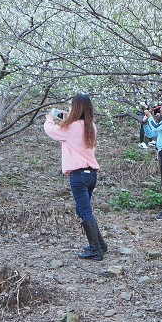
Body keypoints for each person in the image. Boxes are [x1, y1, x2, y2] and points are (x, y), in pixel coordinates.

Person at [44, 94, 107, 261]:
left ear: (76, 108)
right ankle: (100, 244)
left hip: (78, 175)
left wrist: (50, 118)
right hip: (91, 175)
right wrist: (66, 121)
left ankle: (96, 249)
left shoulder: (71, 128)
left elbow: (51, 131)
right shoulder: (91, 126)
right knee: (83, 210)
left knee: (85, 211)